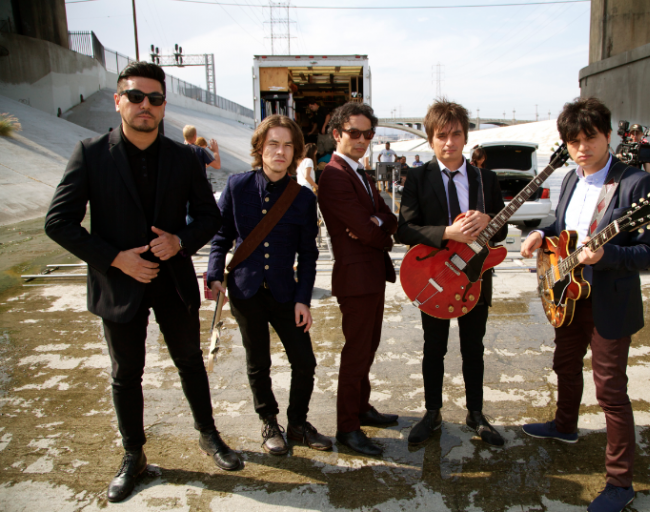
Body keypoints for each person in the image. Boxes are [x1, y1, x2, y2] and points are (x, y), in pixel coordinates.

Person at [44, 62, 242, 504]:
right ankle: (133, 454)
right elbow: (58, 222)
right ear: (118, 101)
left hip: (172, 281)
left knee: (190, 361)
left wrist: (180, 241)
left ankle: (208, 435)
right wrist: (116, 259)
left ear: (164, 106)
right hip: (119, 284)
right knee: (125, 373)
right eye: (135, 97)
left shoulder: (184, 157)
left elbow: (208, 217)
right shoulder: (90, 153)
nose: (145, 106)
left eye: (154, 98)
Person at [520, 97, 650, 512]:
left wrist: (606, 255)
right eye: (574, 141)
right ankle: (565, 425)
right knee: (564, 365)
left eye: (590, 138)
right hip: (568, 293)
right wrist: (539, 233)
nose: (582, 148)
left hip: (609, 301)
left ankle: (620, 483)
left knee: (611, 392)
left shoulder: (635, 184)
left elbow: (647, 253)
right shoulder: (570, 179)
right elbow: (562, 227)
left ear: (608, 135)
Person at [207, 115, 332, 456]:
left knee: (304, 362)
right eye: (273, 144)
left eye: (288, 145)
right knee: (258, 362)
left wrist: (303, 299)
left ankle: (297, 424)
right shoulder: (237, 185)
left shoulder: (303, 198)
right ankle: (269, 422)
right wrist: (214, 273)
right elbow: (221, 236)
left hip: (285, 292)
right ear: (260, 148)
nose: (280, 151)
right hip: (245, 291)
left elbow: (308, 254)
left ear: (295, 152)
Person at [397, 99, 508, 447]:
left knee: (474, 348)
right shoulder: (418, 178)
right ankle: (432, 413)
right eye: (441, 136)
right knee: (434, 348)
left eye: (456, 134)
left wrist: (489, 220)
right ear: (431, 139)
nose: (449, 142)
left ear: (466, 137)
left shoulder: (485, 178)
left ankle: (476, 414)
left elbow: (502, 231)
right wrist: (448, 233)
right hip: (435, 277)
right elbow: (404, 229)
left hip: (475, 275)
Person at [317, 102, 399, 456]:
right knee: (355, 353)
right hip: (355, 278)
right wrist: (380, 231)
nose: (362, 139)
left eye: (368, 134)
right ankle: (347, 428)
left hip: (372, 274)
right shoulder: (335, 175)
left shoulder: (360, 172)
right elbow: (368, 230)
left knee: (368, 347)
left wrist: (378, 223)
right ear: (337, 134)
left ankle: (362, 408)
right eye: (354, 133)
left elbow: (388, 217)